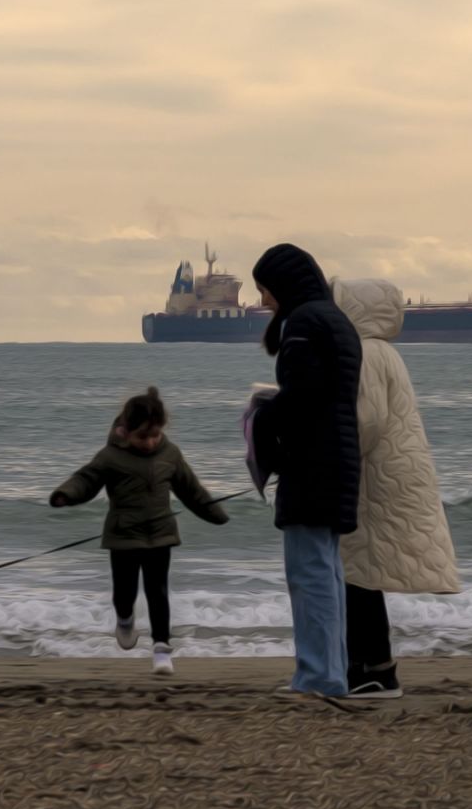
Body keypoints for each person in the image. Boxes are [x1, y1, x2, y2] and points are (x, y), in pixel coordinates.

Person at [330, 278, 461, 698]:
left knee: (359, 575)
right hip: (391, 473)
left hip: (372, 479)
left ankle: (373, 670)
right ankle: (370, 667)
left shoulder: (366, 353)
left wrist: (327, 453)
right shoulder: (386, 351)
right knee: (364, 573)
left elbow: (365, 423)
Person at [248, 244, 362, 697]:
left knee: (309, 575)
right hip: (336, 459)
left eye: (265, 289)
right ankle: (331, 674)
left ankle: (317, 677)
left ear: (285, 283)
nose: (262, 301)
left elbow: (302, 398)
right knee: (327, 572)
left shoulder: (303, 323)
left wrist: (262, 417)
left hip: (312, 462)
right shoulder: (334, 319)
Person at [50, 387, 229, 675]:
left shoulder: (170, 454)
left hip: (161, 534)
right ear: (125, 430)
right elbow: (86, 479)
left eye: (155, 435)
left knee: (158, 592)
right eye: (143, 436)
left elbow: (191, 490)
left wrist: (216, 514)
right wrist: (65, 494)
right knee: (125, 592)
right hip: (123, 537)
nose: (150, 442)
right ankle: (124, 619)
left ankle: (161, 650)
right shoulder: (110, 456)